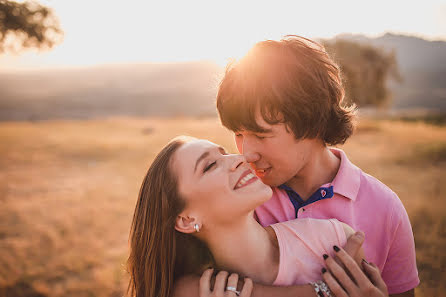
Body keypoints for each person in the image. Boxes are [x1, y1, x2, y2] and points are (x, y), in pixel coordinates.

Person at [215, 36, 419, 296]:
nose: (246, 153)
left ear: (311, 124)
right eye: (239, 133)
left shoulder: (386, 209)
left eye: (262, 135)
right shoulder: (236, 197)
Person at [127, 136, 385, 297]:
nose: (239, 159)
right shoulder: (192, 291)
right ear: (186, 219)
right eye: (209, 165)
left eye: (225, 152)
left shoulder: (336, 240)